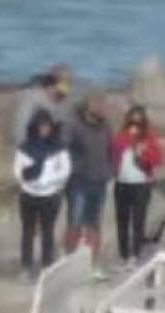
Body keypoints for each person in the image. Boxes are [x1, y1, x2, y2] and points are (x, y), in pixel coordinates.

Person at [15, 109, 72, 279]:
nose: (44, 129)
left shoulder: (59, 148)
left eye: (47, 126)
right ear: (34, 127)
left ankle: (47, 266)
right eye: (41, 125)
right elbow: (17, 170)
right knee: (28, 231)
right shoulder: (24, 148)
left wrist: (51, 182)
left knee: (48, 231)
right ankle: (26, 267)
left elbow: (65, 170)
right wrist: (28, 182)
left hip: (50, 195)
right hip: (28, 195)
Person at [108, 106, 164, 265]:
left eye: (139, 120)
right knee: (122, 221)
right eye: (133, 119)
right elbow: (112, 154)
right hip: (122, 184)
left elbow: (158, 159)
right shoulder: (120, 137)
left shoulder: (150, 138)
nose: (135, 123)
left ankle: (135, 254)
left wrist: (142, 153)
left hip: (141, 185)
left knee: (138, 221)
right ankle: (123, 254)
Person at [64, 99, 114, 259]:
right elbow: (64, 148)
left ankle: (93, 261)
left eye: (103, 105)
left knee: (95, 223)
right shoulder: (74, 125)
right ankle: (69, 257)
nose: (102, 108)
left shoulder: (106, 126)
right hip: (79, 181)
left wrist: (110, 171)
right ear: (88, 107)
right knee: (75, 221)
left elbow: (111, 149)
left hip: (99, 181)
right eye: (98, 104)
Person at [14, 65, 72, 144]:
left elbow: (64, 125)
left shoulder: (63, 99)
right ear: (49, 86)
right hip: (32, 141)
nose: (59, 97)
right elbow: (20, 125)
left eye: (62, 95)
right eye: (58, 93)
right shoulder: (33, 98)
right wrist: (22, 144)